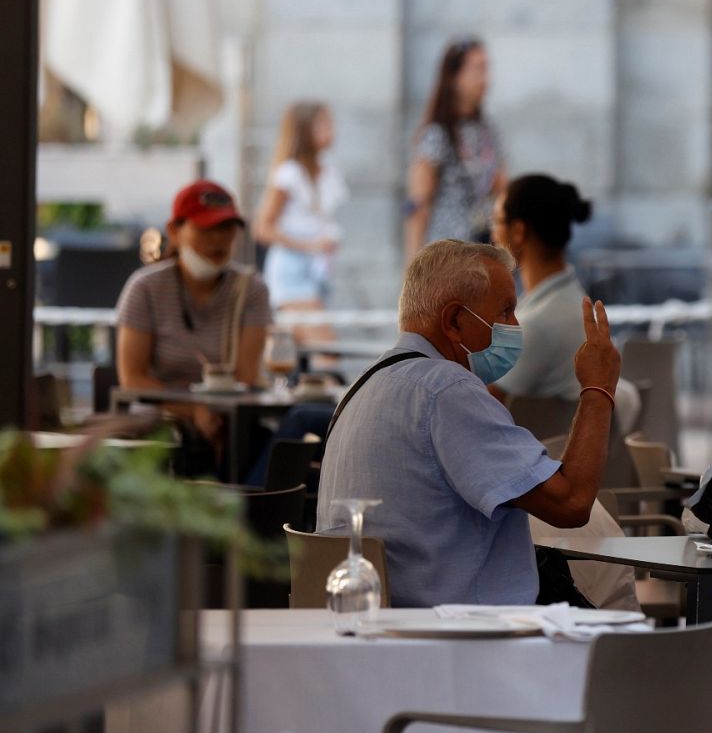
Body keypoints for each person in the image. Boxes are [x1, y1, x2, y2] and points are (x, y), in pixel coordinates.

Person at [316, 239, 620, 607]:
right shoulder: (447, 390)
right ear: (455, 321)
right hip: (464, 639)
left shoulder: (362, 388)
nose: (515, 325)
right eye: (506, 311)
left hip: (382, 633)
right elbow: (571, 504)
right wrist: (597, 389)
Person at [114, 181, 273, 472]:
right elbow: (133, 379)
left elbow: (247, 376)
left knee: (288, 437)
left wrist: (213, 411)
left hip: (230, 421)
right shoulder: (145, 287)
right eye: (206, 229)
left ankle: (254, 508)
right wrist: (192, 409)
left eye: (226, 229)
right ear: (174, 231)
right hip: (161, 423)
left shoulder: (252, 290)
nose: (218, 240)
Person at [487, 173, 593, 402]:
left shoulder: (536, 325)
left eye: (496, 221)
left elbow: (475, 406)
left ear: (518, 231)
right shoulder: (574, 301)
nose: (492, 234)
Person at [406, 37, 505, 260]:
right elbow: (418, 205)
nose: (485, 79)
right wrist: (411, 268)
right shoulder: (437, 133)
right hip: (448, 254)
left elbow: (501, 188)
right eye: (477, 69)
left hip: (483, 248)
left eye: (486, 68)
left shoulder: (488, 130)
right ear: (455, 77)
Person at [254, 101, 347, 340]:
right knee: (324, 353)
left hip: (318, 271)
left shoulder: (327, 168)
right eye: (323, 123)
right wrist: (310, 245)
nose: (331, 129)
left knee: (300, 355)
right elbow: (263, 228)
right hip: (292, 271)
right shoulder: (289, 173)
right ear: (306, 130)